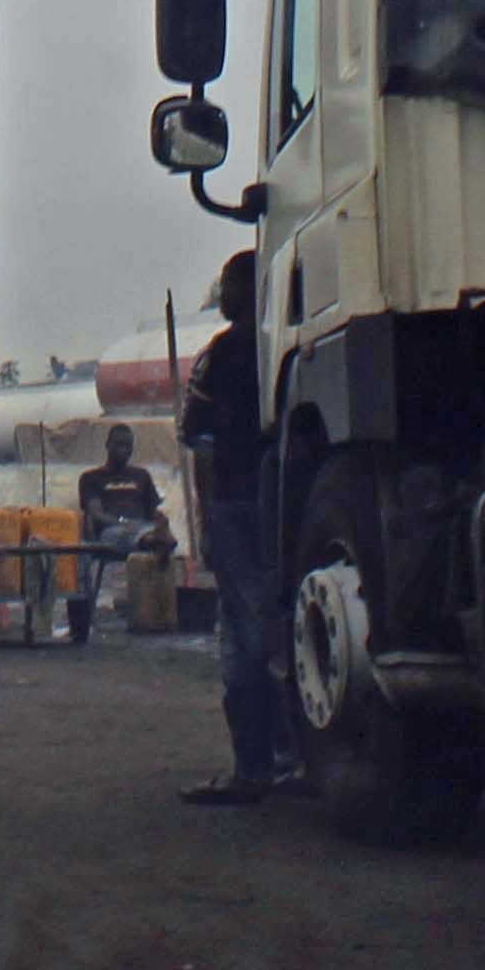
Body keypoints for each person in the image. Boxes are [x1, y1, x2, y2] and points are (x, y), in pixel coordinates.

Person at [175, 252, 294, 804]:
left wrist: (206, 519)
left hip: (237, 504)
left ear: (244, 292)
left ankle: (253, 766)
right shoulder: (288, 349)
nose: (221, 293)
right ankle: (299, 756)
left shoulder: (222, 354)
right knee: (285, 624)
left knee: (243, 632)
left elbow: (197, 437)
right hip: (289, 503)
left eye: (227, 285)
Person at [70, 424, 168, 647]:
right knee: (131, 534)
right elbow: (96, 513)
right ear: (107, 445)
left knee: (152, 531)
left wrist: (159, 522)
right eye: (119, 445)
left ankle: (153, 539)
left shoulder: (141, 476)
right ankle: (152, 540)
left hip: (143, 526)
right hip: (109, 533)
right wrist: (126, 524)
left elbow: (153, 511)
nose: (124, 450)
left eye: (128, 446)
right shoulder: (92, 478)